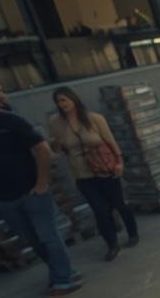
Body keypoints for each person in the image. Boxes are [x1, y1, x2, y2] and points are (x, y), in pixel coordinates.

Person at [0, 76, 81, 298]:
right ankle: (64, 272)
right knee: (33, 240)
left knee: (48, 236)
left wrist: (41, 184)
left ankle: (63, 280)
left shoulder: (10, 121)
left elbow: (42, 149)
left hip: (32, 191)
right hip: (3, 196)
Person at [46, 87, 139, 261]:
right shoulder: (56, 122)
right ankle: (112, 244)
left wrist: (119, 162)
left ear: (73, 99)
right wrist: (54, 143)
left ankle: (133, 233)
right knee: (100, 210)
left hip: (105, 169)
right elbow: (57, 149)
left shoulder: (94, 119)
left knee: (119, 203)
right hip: (82, 174)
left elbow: (110, 140)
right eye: (59, 101)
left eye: (64, 99)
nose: (62, 104)